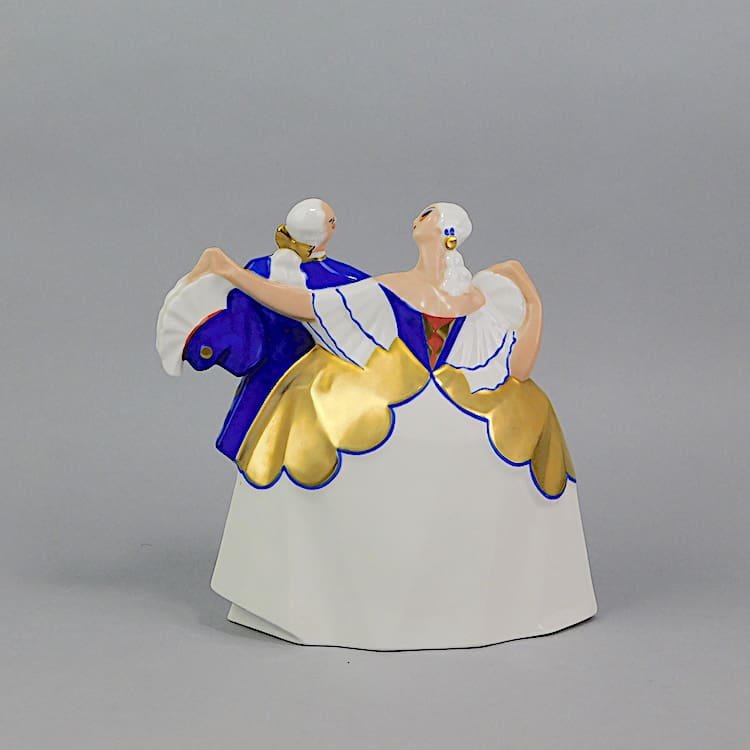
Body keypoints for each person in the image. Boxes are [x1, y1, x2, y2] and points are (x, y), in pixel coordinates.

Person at [161, 202, 597, 650]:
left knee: (521, 422)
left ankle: (448, 603)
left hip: (434, 406)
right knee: (314, 418)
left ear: (443, 234)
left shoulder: (462, 298)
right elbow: (305, 306)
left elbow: (518, 369)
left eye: (427, 214)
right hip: (404, 404)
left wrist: (533, 303)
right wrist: (234, 274)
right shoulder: (402, 290)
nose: (417, 218)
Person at [156, 198, 368, 465]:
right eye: (331, 222)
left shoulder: (258, 269)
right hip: (316, 380)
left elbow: (244, 337)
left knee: (261, 442)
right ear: (329, 231)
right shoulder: (340, 280)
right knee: (316, 451)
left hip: (270, 376)